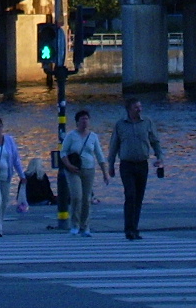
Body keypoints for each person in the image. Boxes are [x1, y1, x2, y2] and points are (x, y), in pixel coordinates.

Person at [108, 97, 163, 241]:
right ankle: (129, 229)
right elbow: (114, 145)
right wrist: (111, 165)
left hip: (142, 164)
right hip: (127, 165)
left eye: (140, 107)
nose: (139, 110)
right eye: (136, 107)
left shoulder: (147, 122)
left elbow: (155, 141)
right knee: (130, 194)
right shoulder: (121, 124)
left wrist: (159, 157)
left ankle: (135, 228)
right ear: (129, 109)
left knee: (138, 198)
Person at [60, 109, 108, 238]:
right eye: (82, 119)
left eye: (86, 119)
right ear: (77, 122)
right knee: (77, 196)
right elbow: (63, 152)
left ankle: (85, 226)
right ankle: (74, 225)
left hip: (89, 169)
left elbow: (99, 155)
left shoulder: (93, 137)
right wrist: (69, 165)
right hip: (74, 169)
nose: (85, 122)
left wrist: (105, 173)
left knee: (86, 199)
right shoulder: (71, 136)